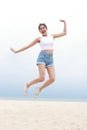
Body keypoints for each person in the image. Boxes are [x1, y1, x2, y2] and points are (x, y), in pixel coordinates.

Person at [10, 20, 67, 97]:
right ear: (39, 31)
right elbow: (28, 46)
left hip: (50, 59)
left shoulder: (52, 36)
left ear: (46, 28)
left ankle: (40, 88)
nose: (42, 29)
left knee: (52, 79)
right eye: (40, 29)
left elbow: (64, 33)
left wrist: (64, 22)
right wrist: (16, 51)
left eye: (43, 27)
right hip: (42, 57)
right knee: (41, 78)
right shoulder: (39, 39)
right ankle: (28, 84)